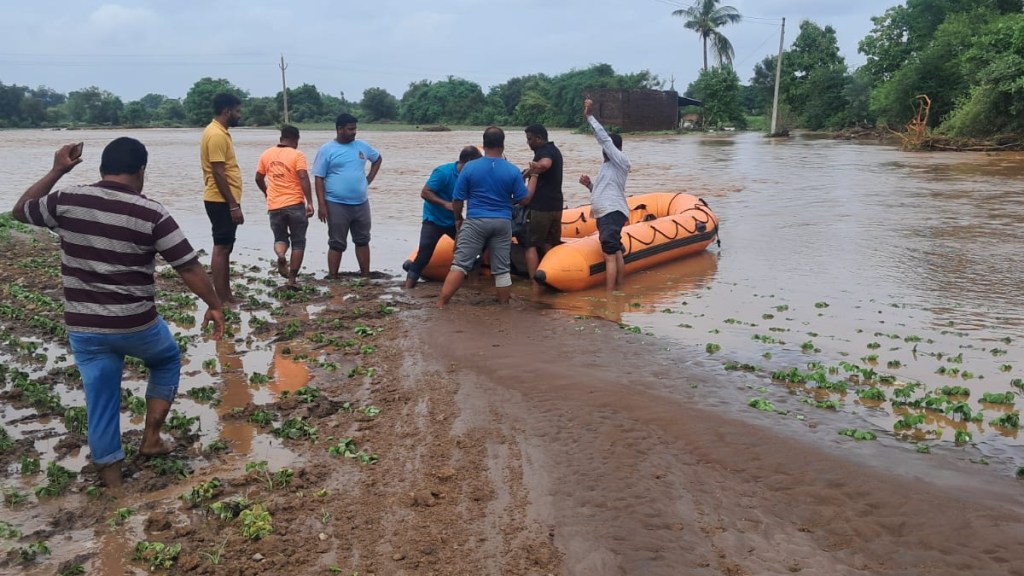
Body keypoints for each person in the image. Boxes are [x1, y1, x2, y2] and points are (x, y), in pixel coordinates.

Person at [12, 137, 225, 490]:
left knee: (101, 396)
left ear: (100, 169)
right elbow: (187, 266)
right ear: (141, 171)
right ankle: (151, 438)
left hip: (84, 327)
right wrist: (214, 305)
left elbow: (21, 210)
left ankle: (113, 482)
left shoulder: (66, 200)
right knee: (167, 358)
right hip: (136, 323)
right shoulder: (152, 212)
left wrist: (57, 170)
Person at [437, 127, 531, 307]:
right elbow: (523, 199)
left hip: (476, 220)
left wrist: (458, 219)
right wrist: (532, 178)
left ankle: (441, 303)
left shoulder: (470, 168)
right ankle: (504, 306)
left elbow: (458, 199)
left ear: (484, 144)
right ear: (502, 145)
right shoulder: (512, 170)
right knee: (502, 269)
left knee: (460, 265)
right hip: (502, 222)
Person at [312, 113, 382, 278]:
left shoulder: (362, 146)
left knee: (363, 239)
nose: (354, 132)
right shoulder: (326, 150)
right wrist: (322, 205)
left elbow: (377, 159)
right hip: (336, 203)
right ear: (339, 129)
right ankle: (333, 276)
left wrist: (368, 179)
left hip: (361, 203)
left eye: (355, 128)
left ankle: (365, 275)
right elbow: (318, 178)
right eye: (350, 129)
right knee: (336, 242)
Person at [403, 145, 483, 289]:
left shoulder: (472, 176)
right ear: (469, 161)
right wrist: (445, 204)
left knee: (474, 251)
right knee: (424, 255)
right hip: (434, 220)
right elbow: (425, 192)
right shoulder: (443, 172)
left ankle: (474, 287)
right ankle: (408, 288)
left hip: (455, 220)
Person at [579, 98, 632, 291]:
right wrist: (590, 186)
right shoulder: (607, 167)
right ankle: (619, 289)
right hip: (606, 212)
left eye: (606, 148)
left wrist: (589, 116)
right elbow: (606, 191)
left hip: (612, 212)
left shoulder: (620, 161)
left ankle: (610, 295)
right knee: (615, 250)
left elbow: (604, 139)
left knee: (609, 253)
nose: (603, 150)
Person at [255, 125, 314, 288]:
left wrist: (267, 193)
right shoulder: (297, 154)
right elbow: (303, 176)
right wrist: (310, 201)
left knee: (280, 238)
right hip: (295, 204)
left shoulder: (266, 154)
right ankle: (292, 279)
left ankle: (281, 255)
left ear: (282, 138)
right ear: (295, 139)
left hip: (275, 206)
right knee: (298, 242)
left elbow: (258, 178)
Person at [200, 92, 244, 304]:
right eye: (237, 111)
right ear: (227, 111)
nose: (239, 115)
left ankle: (227, 295)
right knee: (221, 247)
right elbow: (218, 171)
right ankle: (221, 298)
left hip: (223, 199)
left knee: (226, 246)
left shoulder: (219, 132)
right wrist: (233, 205)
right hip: (220, 200)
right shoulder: (216, 134)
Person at [522, 123, 564, 284]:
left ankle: (535, 282)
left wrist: (536, 167)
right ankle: (551, 277)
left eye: (530, 139)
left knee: (530, 244)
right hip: (556, 206)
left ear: (539, 139)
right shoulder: (555, 150)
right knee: (549, 243)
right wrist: (527, 173)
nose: (528, 143)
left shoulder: (544, 152)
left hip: (541, 208)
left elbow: (546, 164)